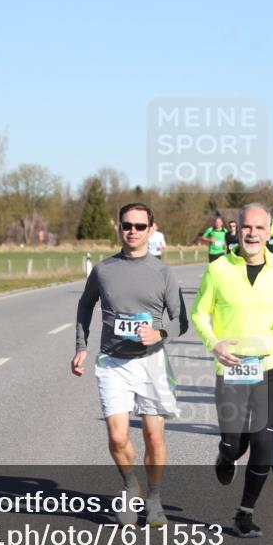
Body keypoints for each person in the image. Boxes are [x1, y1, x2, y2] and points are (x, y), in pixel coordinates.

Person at [191, 203, 273, 537]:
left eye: (260, 228)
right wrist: (213, 343)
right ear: (237, 229)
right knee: (235, 445)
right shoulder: (219, 269)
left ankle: (244, 513)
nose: (253, 234)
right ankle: (225, 454)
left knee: (263, 441)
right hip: (231, 366)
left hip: (270, 365)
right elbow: (199, 314)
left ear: (269, 231)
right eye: (247, 227)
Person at [73, 203, 189, 526]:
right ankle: (129, 486)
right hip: (113, 362)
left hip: (152, 363)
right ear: (119, 228)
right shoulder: (104, 270)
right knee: (117, 436)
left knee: (154, 437)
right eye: (127, 225)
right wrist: (81, 346)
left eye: (140, 226)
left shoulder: (164, 272)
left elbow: (182, 320)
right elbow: (85, 306)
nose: (133, 231)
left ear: (152, 230)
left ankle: (153, 498)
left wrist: (160, 333)